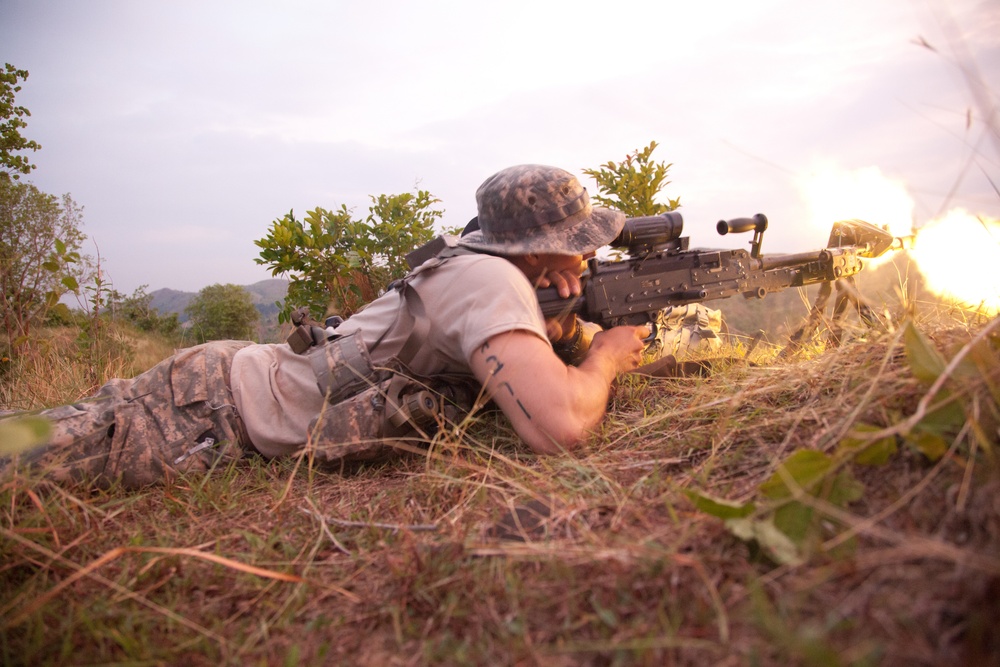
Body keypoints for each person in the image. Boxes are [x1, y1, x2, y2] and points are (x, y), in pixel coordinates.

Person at [2, 164, 649, 488]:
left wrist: (561, 328)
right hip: (209, 409)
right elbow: (558, 426)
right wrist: (607, 357)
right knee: (21, 452)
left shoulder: (479, 268)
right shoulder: (492, 282)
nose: (588, 252)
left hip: (218, 385)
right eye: (581, 239)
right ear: (544, 242)